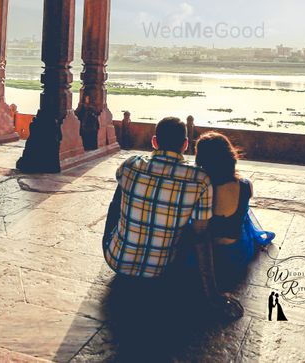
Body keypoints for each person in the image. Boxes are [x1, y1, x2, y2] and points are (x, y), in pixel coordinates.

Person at [102, 117, 243, 319]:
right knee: (185, 218)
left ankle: (126, 244)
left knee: (121, 194)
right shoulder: (200, 180)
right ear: (185, 145)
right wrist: (212, 294)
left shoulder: (130, 165)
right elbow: (201, 236)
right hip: (162, 271)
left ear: (154, 142)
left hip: (117, 261)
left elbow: (119, 202)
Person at [193, 131, 275, 285]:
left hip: (205, 257)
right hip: (236, 254)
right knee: (244, 213)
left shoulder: (198, 186)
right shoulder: (246, 185)